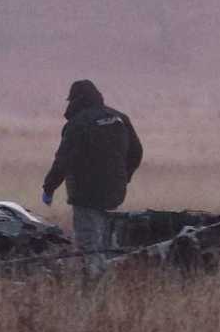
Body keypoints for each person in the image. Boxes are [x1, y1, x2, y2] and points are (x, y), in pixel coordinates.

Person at [40, 80, 143, 261]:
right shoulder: (119, 118)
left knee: (89, 245)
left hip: (85, 194)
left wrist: (49, 188)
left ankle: (95, 281)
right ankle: (109, 276)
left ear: (75, 100)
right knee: (108, 241)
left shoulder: (77, 124)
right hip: (114, 193)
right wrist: (123, 178)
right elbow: (136, 152)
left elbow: (63, 160)